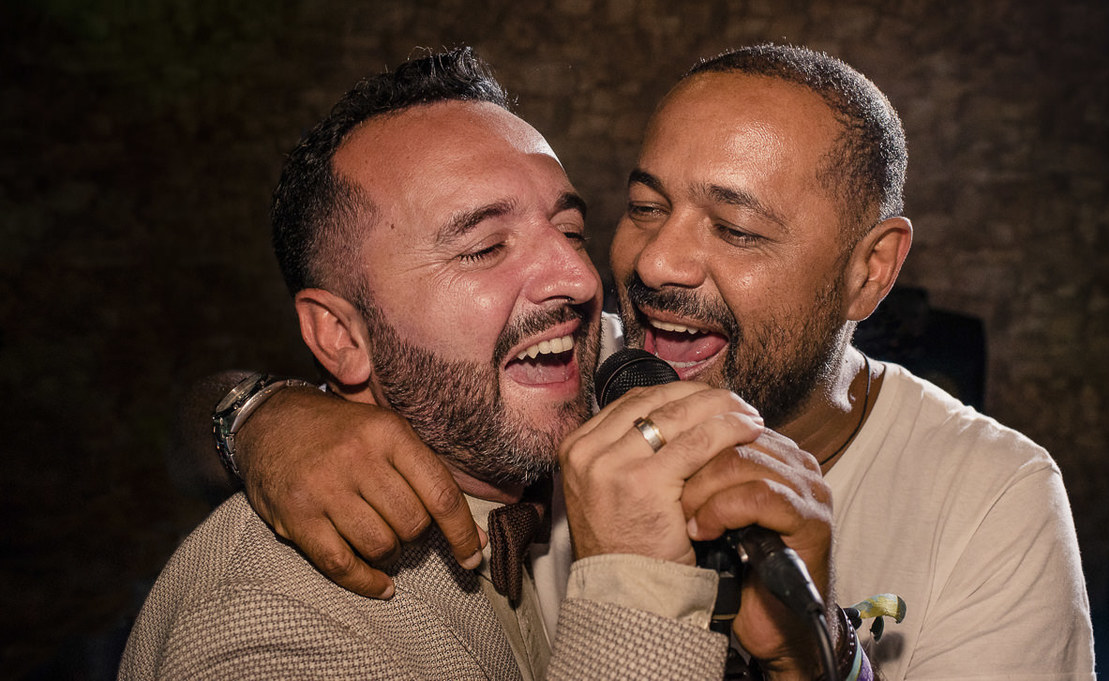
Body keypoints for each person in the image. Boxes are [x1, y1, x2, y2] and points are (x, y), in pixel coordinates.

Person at [192, 44, 1097, 679]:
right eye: (645, 205)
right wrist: (257, 413)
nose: (651, 266)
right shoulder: (565, 382)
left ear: (871, 269)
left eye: (737, 227)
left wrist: (814, 663)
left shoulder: (992, 497)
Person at [122, 48, 842, 680]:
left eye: (570, 228)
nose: (579, 278)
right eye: (484, 248)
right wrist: (639, 586)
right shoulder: (269, 628)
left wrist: (812, 659)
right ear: (341, 336)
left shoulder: (587, 386)